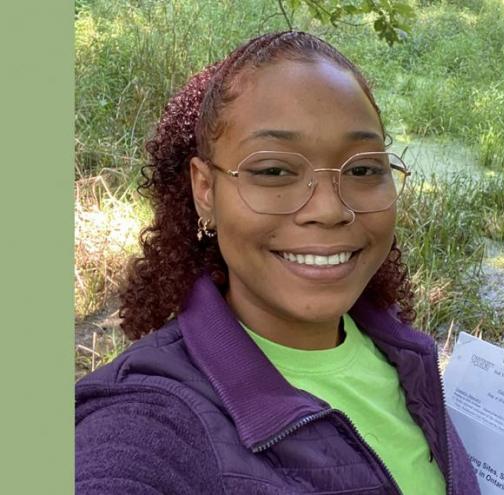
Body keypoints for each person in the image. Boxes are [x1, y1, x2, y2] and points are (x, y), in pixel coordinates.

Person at [75, 31, 480, 494]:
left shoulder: (396, 347)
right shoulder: (151, 419)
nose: (329, 210)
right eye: (274, 171)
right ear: (205, 190)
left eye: (363, 169)